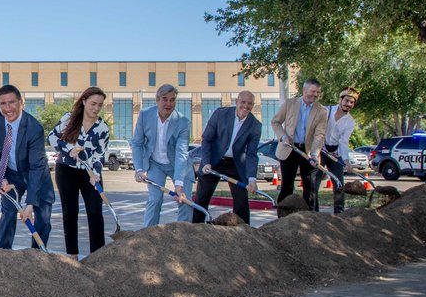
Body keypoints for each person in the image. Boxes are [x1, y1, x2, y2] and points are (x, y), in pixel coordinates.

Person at [0, 85, 54, 250]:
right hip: (11, 174)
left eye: (12, 103)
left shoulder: (34, 128)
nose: (7, 108)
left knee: (43, 220)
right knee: (8, 213)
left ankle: (37, 257)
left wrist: (30, 203)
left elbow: (36, 167)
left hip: (37, 174)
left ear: (21, 102)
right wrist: (1, 177)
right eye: (3, 104)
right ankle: (1, 255)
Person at [49, 87, 110, 255]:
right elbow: (52, 137)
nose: (96, 108)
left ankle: (98, 255)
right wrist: (69, 149)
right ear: (84, 102)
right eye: (93, 104)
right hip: (66, 170)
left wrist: (96, 174)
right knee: (70, 212)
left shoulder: (102, 128)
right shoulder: (69, 118)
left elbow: (100, 155)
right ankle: (72, 255)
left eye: (99, 105)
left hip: (89, 173)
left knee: (95, 212)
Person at [192, 91, 262, 224]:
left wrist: (252, 179)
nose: (245, 106)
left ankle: (244, 234)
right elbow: (207, 139)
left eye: (249, 104)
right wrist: (206, 162)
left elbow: (251, 154)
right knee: (201, 198)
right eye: (243, 102)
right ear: (236, 102)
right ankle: (196, 230)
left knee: (241, 201)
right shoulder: (220, 114)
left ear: (252, 106)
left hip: (235, 164)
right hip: (213, 162)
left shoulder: (255, 125)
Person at [130, 84, 192, 227]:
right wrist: (139, 169)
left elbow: (181, 152)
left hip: (178, 165)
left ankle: (183, 237)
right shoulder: (145, 115)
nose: (168, 103)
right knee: (155, 200)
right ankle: (148, 236)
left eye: (172, 100)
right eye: (165, 99)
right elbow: (137, 143)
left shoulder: (183, 122)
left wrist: (179, 184)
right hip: (155, 164)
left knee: (185, 200)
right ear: (157, 100)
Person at [270, 78, 327, 209]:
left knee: (310, 185)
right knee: (287, 185)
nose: (315, 95)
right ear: (304, 90)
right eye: (313, 91)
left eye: (318, 92)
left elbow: (319, 134)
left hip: (307, 151)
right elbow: (275, 122)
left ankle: (310, 217)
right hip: (289, 148)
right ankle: (283, 216)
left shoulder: (321, 111)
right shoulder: (289, 104)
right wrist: (282, 136)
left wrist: (314, 154)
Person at [313, 86, 361, 214]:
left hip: (335, 152)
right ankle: (313, 212)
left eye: (352, 102)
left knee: (339, 183)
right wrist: (318, 149)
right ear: (340, 100)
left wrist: (346, 160)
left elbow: (343, 141)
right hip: (320, 150)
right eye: (347, 101)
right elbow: (317, 130)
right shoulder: (327, 110)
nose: (348, 104)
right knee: (315, 182)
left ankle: (339, 213)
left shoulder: (350, 121)